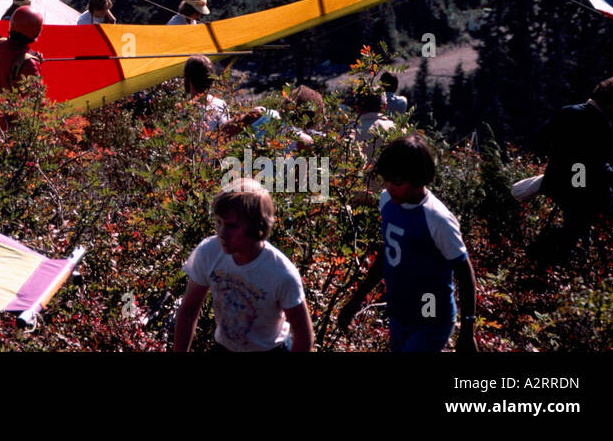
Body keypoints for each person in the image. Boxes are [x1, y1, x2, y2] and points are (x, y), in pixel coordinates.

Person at [337, 134, 477, 353]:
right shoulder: (387, 202)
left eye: (399, 183)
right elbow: (387, 256)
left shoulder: (437, 218)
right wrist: (356, 300)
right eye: (387, 180)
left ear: (419, 179)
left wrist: (468, 330)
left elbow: (463, 271)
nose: (391, 187)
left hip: (430, 315)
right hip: (400, 313)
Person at [173, 178, 313, 352]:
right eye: (218, 222)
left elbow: (304, 337)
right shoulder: (209, 252)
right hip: (224, 348)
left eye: (232, 226)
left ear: (256, 226)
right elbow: (188, 310)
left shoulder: (281, 273)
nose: (222, 233)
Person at [534, 76, 613, 257]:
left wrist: (563, 161)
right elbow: (599, 169)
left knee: (574, 237)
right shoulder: (600, 125)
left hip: (563, 186)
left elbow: (539, 139)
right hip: (589, 193)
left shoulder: (568, 112)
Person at [0, 5, 45, 93]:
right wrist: (35, 65)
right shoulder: (30, 64)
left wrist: (32, 59)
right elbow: (38, 100)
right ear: (35, 31)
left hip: (0, 103)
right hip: (17, 106)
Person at [183, 54, 230, 131]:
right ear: (211, 80)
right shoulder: (221, 105)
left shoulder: (183, 111)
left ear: (188, 79)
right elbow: (226, 135)